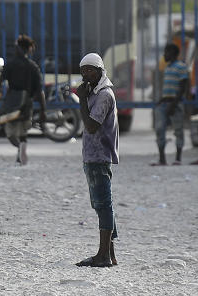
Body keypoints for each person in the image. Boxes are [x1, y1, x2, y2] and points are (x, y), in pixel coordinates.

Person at [75, 52, 119, 268]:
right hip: (92, 155)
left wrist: (81, 98)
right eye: (83, 70)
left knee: (103, 204)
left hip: (100, 155)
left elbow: (92, 126)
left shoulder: (104, 95)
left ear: (101, 71)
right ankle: (110, 253)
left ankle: (103, 256)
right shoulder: (95, 91)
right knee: (101, 204)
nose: (86, 74)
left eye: (91, 69)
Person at [0, 35, 46, 165]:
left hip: (12, 102)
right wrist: (43, 110)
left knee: (10, 131)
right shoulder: (33, 67)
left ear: (19, 48)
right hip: (27, 103)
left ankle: (19, 149)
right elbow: (39, 91)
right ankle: (21, 150)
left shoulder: (11, 65)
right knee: (23, 130)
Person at [153, 43, 189, 165]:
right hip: (165, 102)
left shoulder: (181, 67)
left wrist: (173, 104)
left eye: (166, 52)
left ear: (173, 53)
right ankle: (162, 159)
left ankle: (178, 158)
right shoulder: (167, 67)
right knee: (159, 129)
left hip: (176, 104)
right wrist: (162, 100)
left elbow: (182, 87)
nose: (164, 55)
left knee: (178, 130)